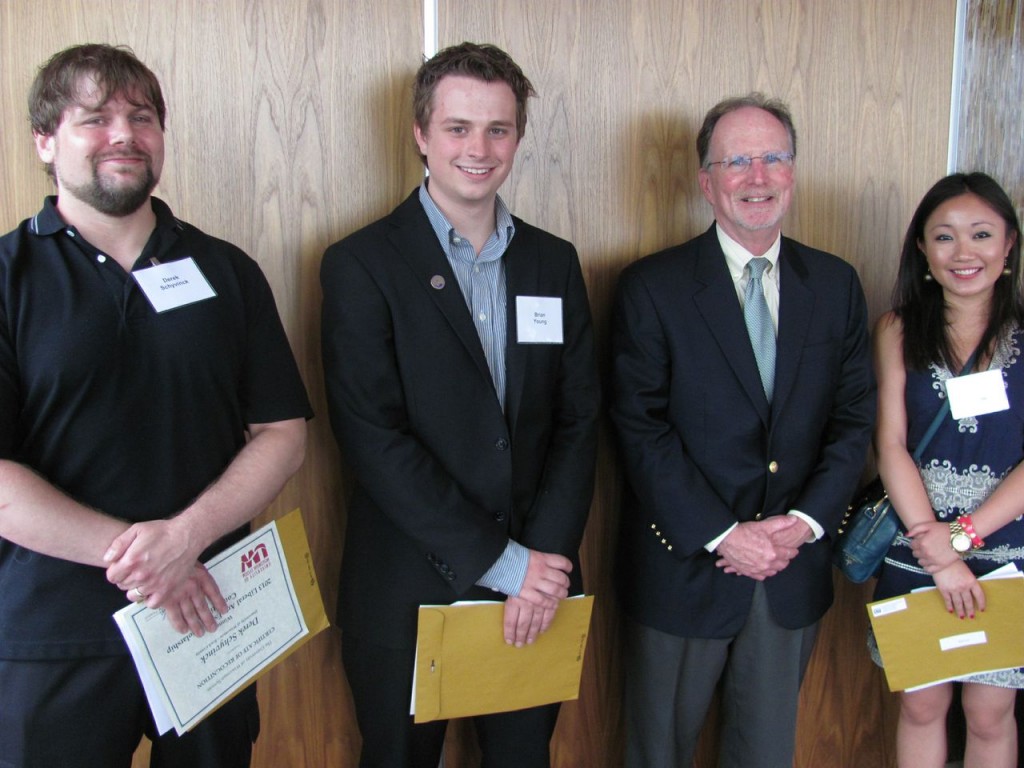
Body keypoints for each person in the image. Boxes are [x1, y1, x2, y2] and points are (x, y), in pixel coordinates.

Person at [0, 44, 311, 767]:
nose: (123, 134)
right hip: (56, 634)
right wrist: (146, 561)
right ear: (46, 140)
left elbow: (282, 434)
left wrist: (184, 540)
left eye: (142, 117)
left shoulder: (226, 271)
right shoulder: (8, 279)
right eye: (95, 118)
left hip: (211, 618)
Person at [319, 41, 599, 768]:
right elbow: (374, 439)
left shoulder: (553, 262)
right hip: (407, 591)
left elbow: (578, 421)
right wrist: (503, 562)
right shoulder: (360, 265)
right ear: (421, 134)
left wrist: (546, 562)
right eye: (458, 128)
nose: (479, 148)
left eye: (498, 129)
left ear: (518, 138)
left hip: (538, 592)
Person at [610, 93, 876, 768]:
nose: (758, 177)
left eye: (774, 157)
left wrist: (806, 525)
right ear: (707, 181)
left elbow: (853, 420)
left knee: (764, 756)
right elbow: (639, 429)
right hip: (685, 567)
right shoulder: (652, 287)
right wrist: (728, 534)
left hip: (791, 567)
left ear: (793, 171)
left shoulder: (837, 285)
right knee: (656, 754)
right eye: (737, 161)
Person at [871, 172, 1023, 768]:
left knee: (990, 714)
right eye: (945, 237)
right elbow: (890, 444)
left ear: (1009, 245)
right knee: (921, 706)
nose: (964, 253)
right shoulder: (897, 329)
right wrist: (937, 552)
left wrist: (963, 539)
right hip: (916, 544)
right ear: (922, 250)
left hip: (1007, 549)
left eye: (981, 234)